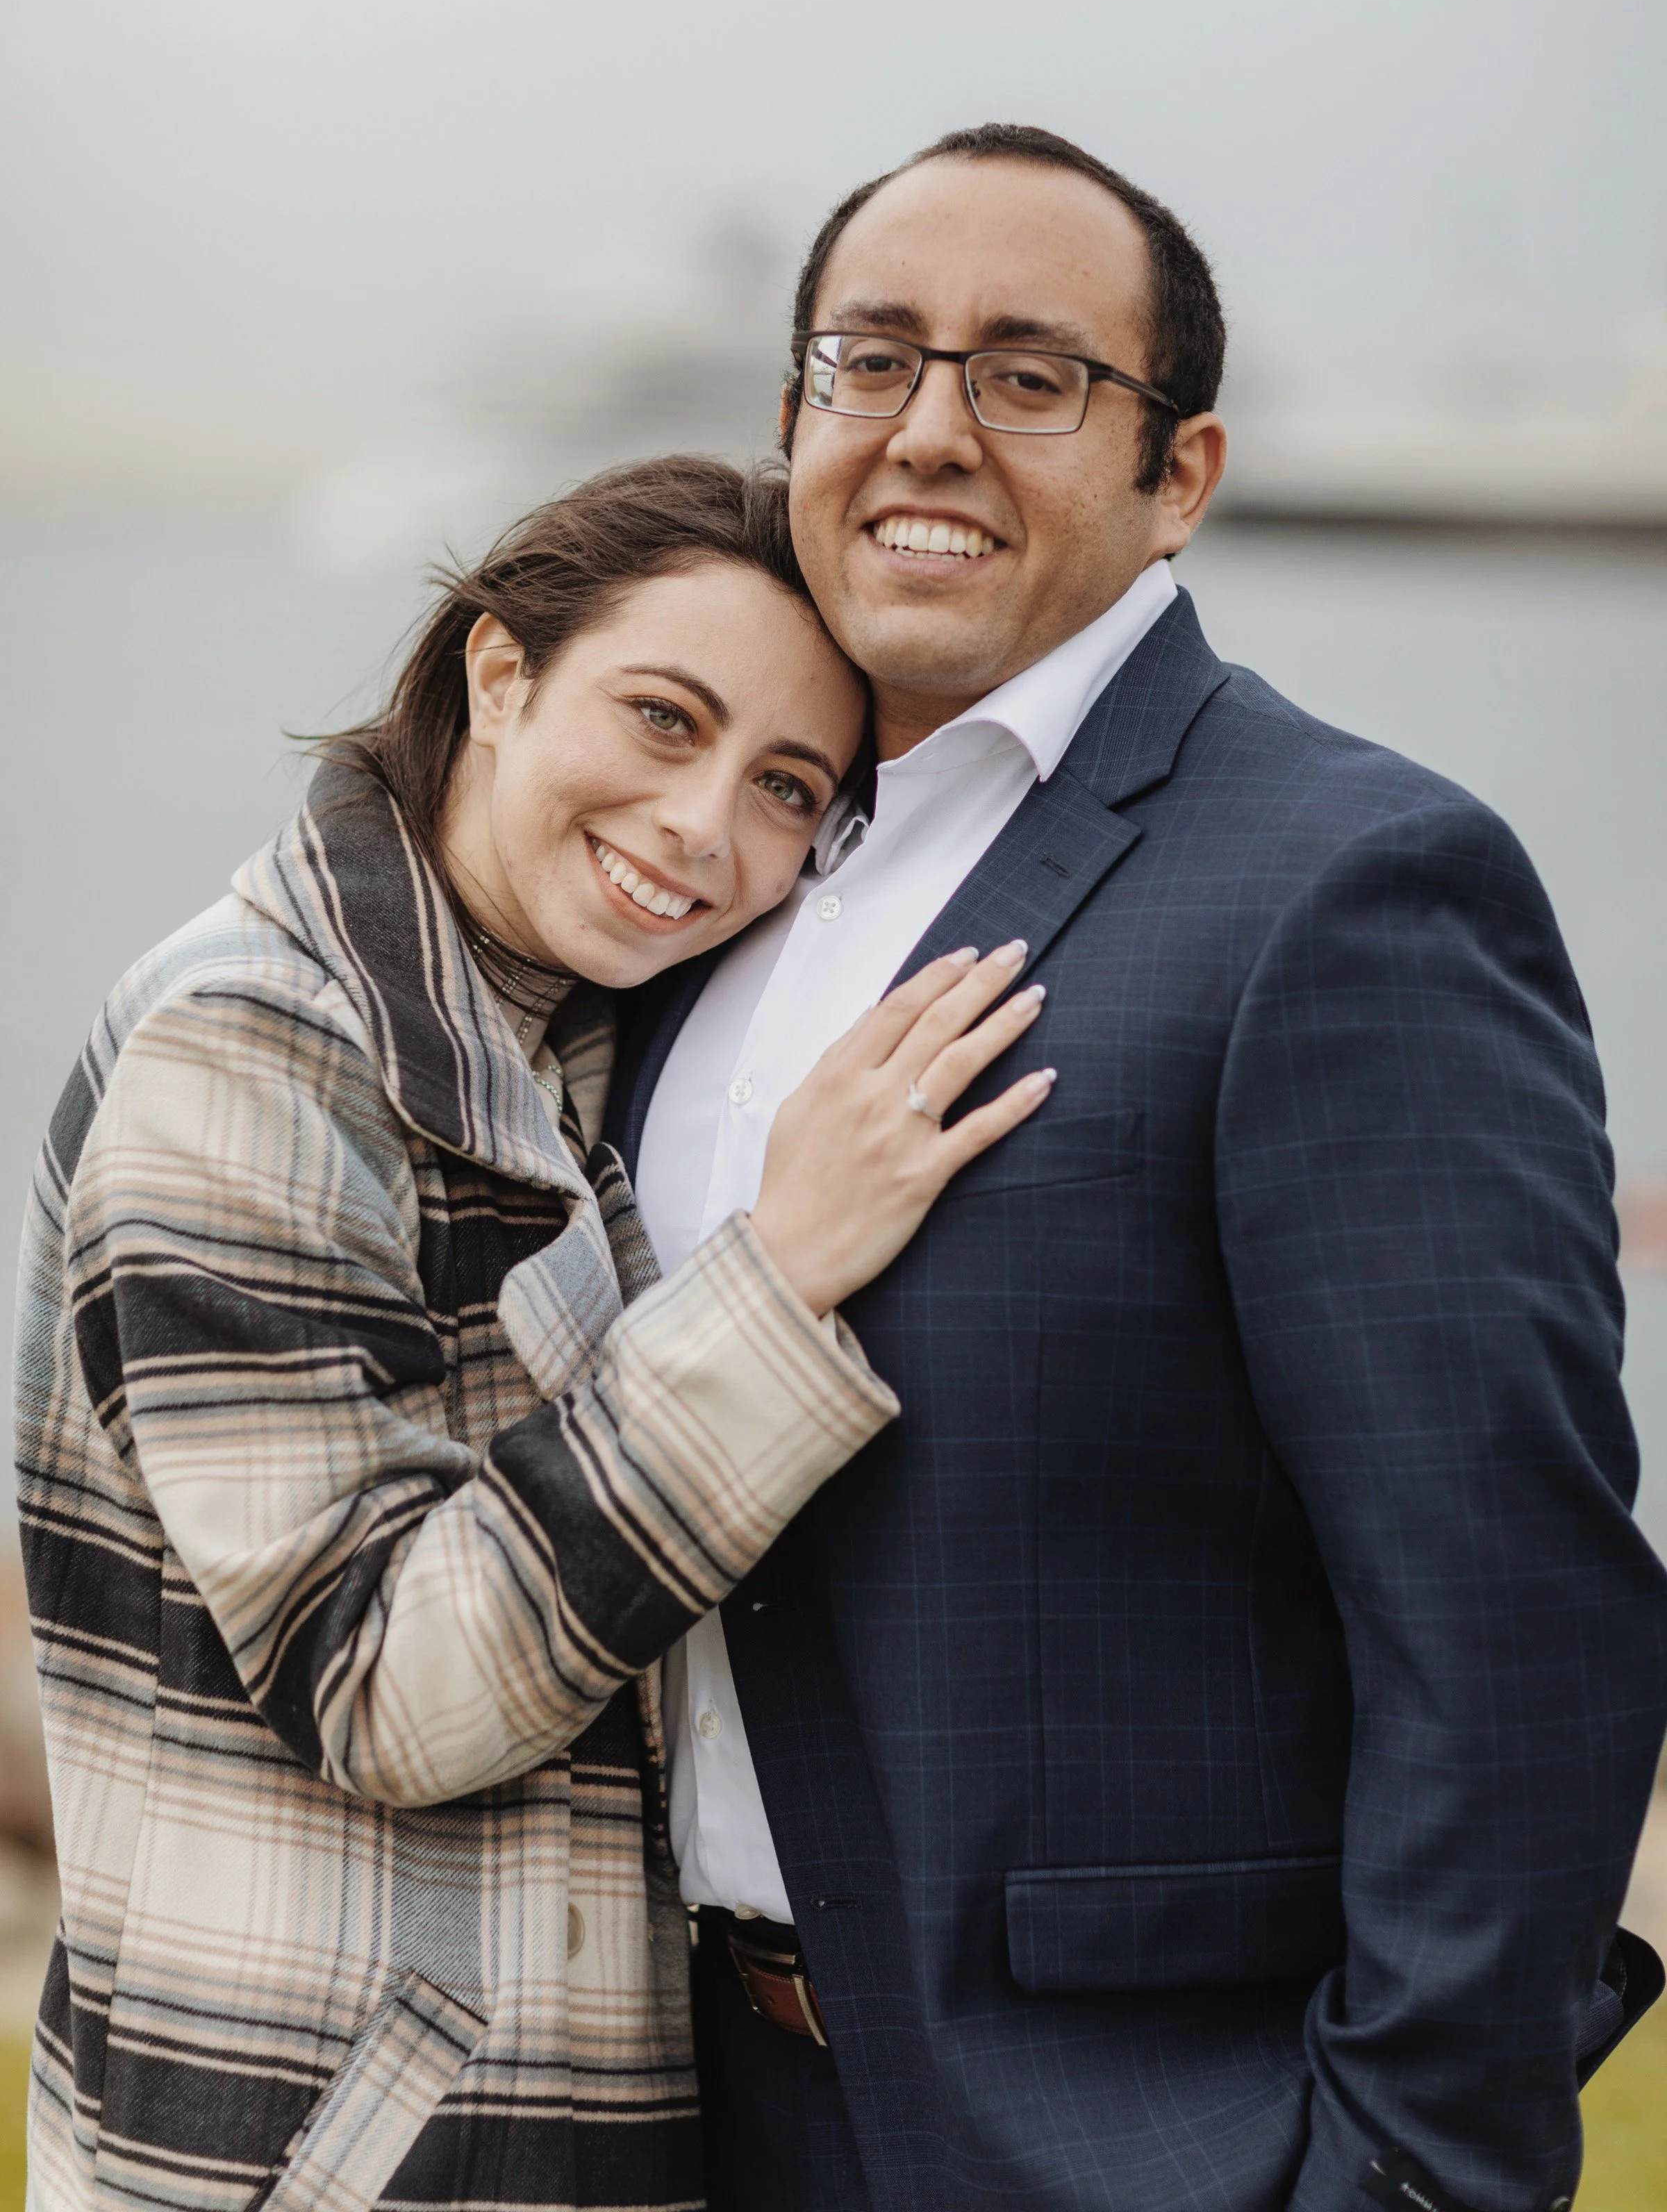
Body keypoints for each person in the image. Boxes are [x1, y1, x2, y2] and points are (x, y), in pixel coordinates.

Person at [611, 128, 1667, 2212]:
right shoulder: (703, 872)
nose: (929, 430)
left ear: (1179, 473)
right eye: (870, 360)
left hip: (1132, 2143)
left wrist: (1400, 2173)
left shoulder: (1350, 887)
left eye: (1029, 376)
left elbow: (1517, 1631)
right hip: (676, 2110)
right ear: (797, 417)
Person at [13, 455, 1057, 2212]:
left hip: (524, 2136)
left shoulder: (557, 1045)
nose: (703, 826)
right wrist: (778, 1279)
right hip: (309, 2156)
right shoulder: (254, 1050)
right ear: (499, 672)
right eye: (662, 718)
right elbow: (378, 1682)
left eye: (786, 787)